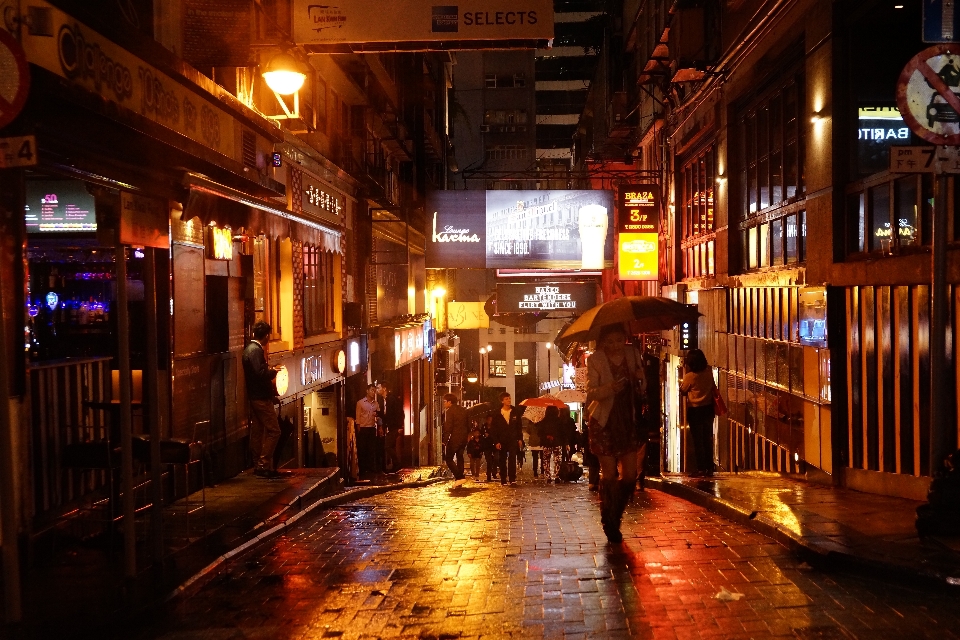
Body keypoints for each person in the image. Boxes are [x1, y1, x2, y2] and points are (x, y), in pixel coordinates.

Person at [586, 324, 646, 543]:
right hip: (604, 421)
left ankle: (615, 514)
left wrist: (640, 377)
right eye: (609, 341)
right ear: (603, 342)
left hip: (628, 420)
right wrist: (611, 387)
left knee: (630, 475)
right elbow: (591, 392)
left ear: (625, 339)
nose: (614, 346)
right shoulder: (595, 360)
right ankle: (609, 521)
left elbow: (643, 386)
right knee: (609, 474)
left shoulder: (633, 354)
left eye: (618, 340)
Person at [242, 321, 284, 479]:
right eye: (269, 336)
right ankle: (263, 463)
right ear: (266, 336)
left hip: (255, 396)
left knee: (258, 431)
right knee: (274, 431)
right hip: (260, 397)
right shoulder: (255, 351)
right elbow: (259, 373)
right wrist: (273, 371)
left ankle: (257, 463)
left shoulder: (250, 350)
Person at [679, 348, 716, 477]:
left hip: (695, 410)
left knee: (697, 440)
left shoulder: (690, 376)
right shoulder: (708, 373)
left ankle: (701, 468)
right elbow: (712, 387)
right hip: (708, 408)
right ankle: (709, 467)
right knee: (707, 438)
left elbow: (683, 391)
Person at [489, 392, 524, 485]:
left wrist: (520, 439)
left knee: (512, 458)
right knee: (502, 459)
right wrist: (496, 441)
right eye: (506, 399)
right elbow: (494, 429)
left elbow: (519, 426)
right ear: (502, 401)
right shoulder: (497, 413)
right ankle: (503, 478)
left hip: (513, 439)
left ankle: (512, 479)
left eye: (509, 398)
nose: (508, 400)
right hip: (502, 440)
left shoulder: (515, 411)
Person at [442, 393, 470, 488]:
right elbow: (468, 425)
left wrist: (444, 441)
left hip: (454, 438)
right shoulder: (464, 410)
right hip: (463, 438)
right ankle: (459, 481)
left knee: (448, 458)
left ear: (450, 402)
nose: (444, 404)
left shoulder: (450, 411)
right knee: (460, 457)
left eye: (445, 402)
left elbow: (448, 427)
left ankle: (459, 477)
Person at [378, 383, 404, 472]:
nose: (377, 390)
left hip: (394, 426)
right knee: (391, 446)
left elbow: (398, 413)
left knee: (387, 446)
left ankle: (397, 464)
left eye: (378, 388)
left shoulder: (392, 399)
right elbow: (386, 414)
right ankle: (395, 465)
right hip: (389, 426)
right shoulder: (383, 400)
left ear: (384, 389)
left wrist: (400, 426)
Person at [355, 384, 380, 476]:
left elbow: (378, 416)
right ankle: (362, 468)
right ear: (367, 391)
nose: (373, 392)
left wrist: (379, 426)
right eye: (372, 390)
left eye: (374, 390)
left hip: (372, 428)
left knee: (371, 449)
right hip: (363, 428)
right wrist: (359, 428)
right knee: (362, 449)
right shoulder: (360, 403)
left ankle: (371, 468)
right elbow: (358, 417)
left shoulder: (376, 403)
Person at [538, 406, 561, 483]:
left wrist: (546, 436)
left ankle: (548, 476)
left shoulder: (543, 421)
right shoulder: (558, 421)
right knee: (557, 460)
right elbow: (562, 432)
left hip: (546, 443)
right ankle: (557, 475)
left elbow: (539, 433)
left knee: (546, 460)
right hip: (556, 442)